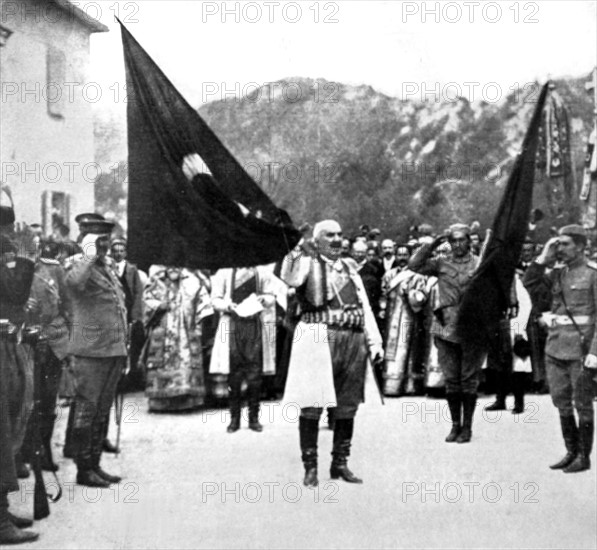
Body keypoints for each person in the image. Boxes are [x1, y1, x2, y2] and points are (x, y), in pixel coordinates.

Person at [281, 220, 383, 487]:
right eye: (330, 235)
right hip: (316, 337)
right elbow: (290, 278)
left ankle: (340, 463)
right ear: (318, 241)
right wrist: (296, 247)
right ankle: (310, 467)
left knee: (347, 405)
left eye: (340, 234)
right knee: (312, 404)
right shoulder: (306, 264)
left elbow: (365, 307)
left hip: (352, 337)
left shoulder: (351, 268)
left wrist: (375, 342)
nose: (337, 240)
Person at [524, 225, 597, 473]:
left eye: (565, 244)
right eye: (558, 244)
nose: (560, 249)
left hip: (580, 350)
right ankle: (571, 451)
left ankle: (583, 457)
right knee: (561, 402)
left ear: (580, 246)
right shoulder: (558, 274)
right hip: (555, 348)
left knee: (582, 403)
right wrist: (543, 257)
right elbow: (530, 282)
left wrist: (595, 353)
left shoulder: (592, 274)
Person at [64, 219, 127, 487]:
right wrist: (88, 255)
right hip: (90, 352)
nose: (105, 246)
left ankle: (95, 463)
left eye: (106, 240)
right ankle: (83, 468)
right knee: (86, 410)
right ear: (86, 241)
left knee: (101, 411)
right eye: (99, 241)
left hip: (112, 349)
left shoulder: (107, 268)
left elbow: (119, 306)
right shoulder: (78, 265)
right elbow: (74, 283)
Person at [409, 223, 485, 443]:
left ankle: (468, 428)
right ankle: (455, 426)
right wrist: (432, 243)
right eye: (453, 241)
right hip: (446, 326)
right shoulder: (441, 263)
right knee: (451, 379)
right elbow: (414, 265)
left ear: (470, 241)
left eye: (462, 240)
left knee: (469, 379)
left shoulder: (479, 263)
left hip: (472, 327)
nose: (458, 244)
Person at [0, 205, 39, 544]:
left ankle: (1, 509)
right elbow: (14, 292)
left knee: (9, 427)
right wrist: (26, 257)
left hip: (7, 345)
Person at [20, 240, 70, 473]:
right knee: (26, 400)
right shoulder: (12, 271)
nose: (33, 253)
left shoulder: (54, 269)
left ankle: (44, 449)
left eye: (35, 248)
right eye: (28, 248)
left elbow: (67, 305)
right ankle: (21, 452)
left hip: (53, 340)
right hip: (24, 342)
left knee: (49, 401)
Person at [210, 266, 278, 433]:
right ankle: (234, 418)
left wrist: (264, 299)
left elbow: (271, 295)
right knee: (235, 373)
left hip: (254, 325)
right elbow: (215, 299)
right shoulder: (224, 272)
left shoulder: (261, 272)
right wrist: (227, 305)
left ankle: (254, 418)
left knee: (255, 373)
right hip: (232, 324)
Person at [142, 267, 213, 411]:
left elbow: (204, 304)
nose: (173, 268)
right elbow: (146, 300)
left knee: (186, 361)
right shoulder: (156, 280)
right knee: (160, 363)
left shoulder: (193, 281)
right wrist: (159, 306)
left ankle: (187, 401)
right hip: (163, 329)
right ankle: (160, 402)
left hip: (186, 331)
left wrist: (198, 325)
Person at [379, 246, 430, 396]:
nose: (402, 258)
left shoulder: (417, 275)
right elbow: (383, 294)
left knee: (406, 349)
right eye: (399, 254)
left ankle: (409, 386)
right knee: (391, 350)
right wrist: (382, 308)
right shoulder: (389, 274)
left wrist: (411, 292)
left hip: (408, 318)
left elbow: (421, 297)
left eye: (405, 255)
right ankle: (390, 386)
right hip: (391, 317)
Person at [110, 238, 145, 391]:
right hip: (114, 310)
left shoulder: (132, 269)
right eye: (115, 251)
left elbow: (138, 293)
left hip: (129, 310)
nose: (118, 254)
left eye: (121, 251)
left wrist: (136, 314)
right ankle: (117, 380)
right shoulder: (109, 267)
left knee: (131, 345)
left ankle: (130, 379)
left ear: (126, 253)